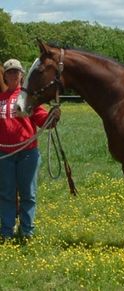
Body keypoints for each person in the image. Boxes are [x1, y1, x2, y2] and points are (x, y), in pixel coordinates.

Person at [0, 58, 60, 242]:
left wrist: (52, 117)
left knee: (28, 194)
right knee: (6, 193)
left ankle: (27, 232)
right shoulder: (0, 99)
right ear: (5, 76)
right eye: (10, 72)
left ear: (22, 75)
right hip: (4, 155)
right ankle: (7, 231)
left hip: (27, 153)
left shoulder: (27, 98)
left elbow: (42, 120)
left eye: (16, 72)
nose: (13, 75)